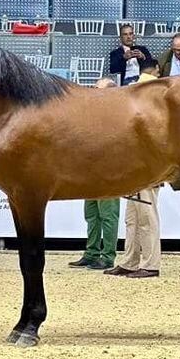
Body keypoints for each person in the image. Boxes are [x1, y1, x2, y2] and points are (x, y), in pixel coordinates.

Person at [105, 67, 162, 279]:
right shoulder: (140, 116)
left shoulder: (156, 117)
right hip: (133, 173)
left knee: (147, 218)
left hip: (147, 173)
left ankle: (150, 263)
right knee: (132, 219)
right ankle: (130, 261)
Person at [69, 78, 120, 270]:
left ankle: (107, 256)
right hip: (90, 171)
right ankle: (91, 252)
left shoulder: (115, 117)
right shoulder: (91, 115)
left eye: (96, 88)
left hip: (108, 172)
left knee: (108, 215)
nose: (92, 90)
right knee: (91, 215)